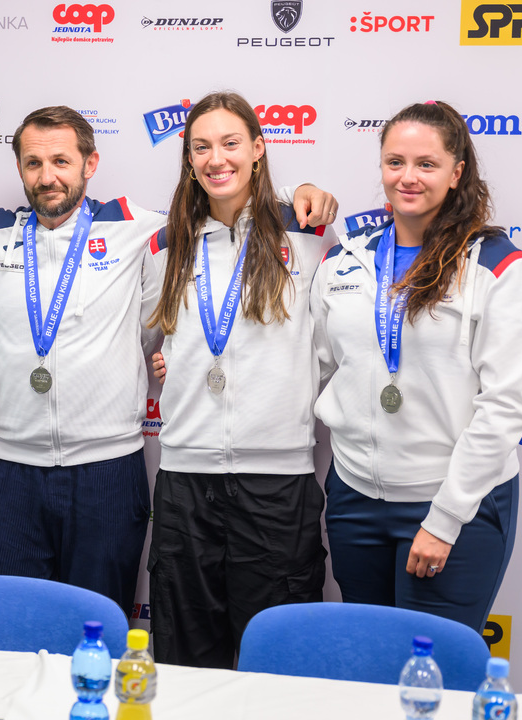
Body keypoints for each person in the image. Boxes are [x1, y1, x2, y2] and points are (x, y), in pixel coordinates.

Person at [0, 105, 337, 621]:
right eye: (34, 164)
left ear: (91, 164)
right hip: (10, 471)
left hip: (108, 471)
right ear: (19, 169)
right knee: (11, 637)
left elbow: (220, 204)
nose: (48, 177)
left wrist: (297, 195)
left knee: (99, 633)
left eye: (62, 162)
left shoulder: (138, 228)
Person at [311, 101, 522, 633]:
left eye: (426, 164)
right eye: (395, 162)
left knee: (433, 680)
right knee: (368, 667)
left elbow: (504, 407)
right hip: (354, 499)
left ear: (457, 173)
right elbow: (316, 364)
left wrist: (444, 520)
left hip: (454, 505)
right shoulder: (344, 260)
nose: (407, 177)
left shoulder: (498, 266)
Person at [143, 92, 335, 668]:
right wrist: (173, 364)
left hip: (277, 484)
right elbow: (151, 340)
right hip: (185, 482)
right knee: (184, 662)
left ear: (257, 149)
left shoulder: (306, 232)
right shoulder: (165, 243)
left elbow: (334, 342)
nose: (215, 158)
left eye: (230, 143)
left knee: (275, 666)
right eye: (201, 146)